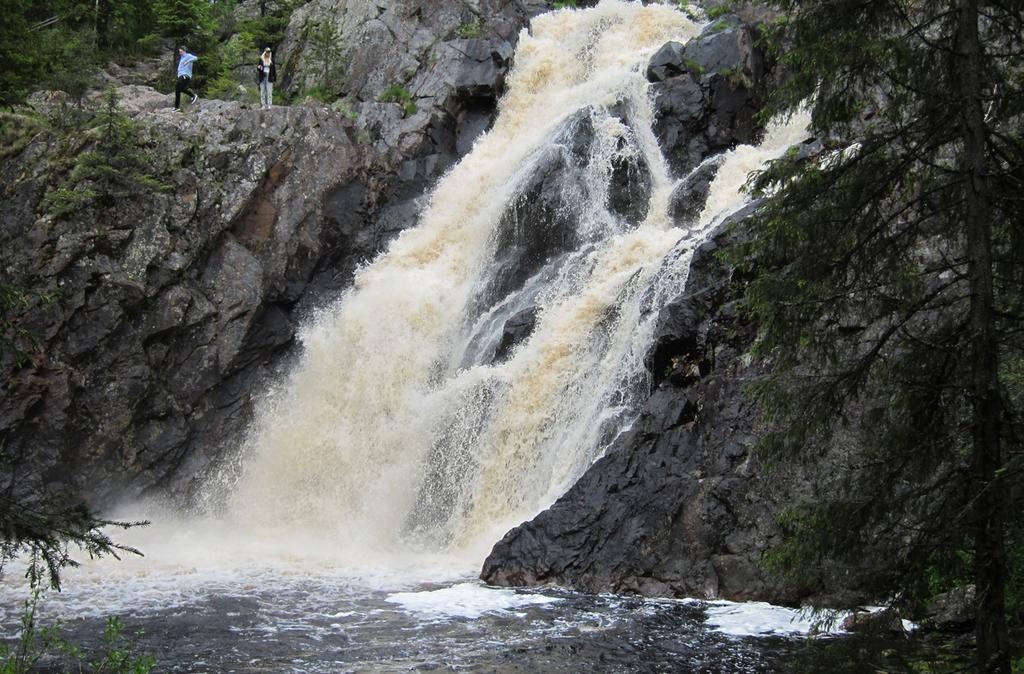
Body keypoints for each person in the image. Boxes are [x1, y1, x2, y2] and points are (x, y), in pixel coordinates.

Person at [174, 46, 198, 111]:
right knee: (178, 90)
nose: (180, 53)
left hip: (185, 75)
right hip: (181, 75)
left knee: (178, 86)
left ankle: (193, 96)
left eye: (181, 51)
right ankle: (176, 107)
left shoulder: (188, 55)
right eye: (179, 52)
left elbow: (196, 58)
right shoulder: (181, 58)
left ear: (184, 51)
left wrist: (188, 61)